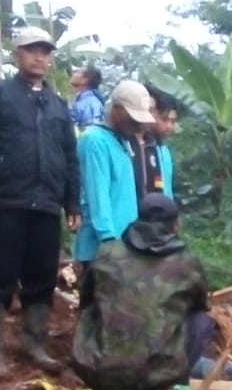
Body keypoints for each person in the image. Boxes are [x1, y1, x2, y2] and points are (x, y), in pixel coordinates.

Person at [0, 26, 80, 379]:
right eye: (31, 50)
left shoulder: (58, 105)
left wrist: (73, 202)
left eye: (44, 51)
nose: (39, 57)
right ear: (17, 54)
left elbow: (69, 156)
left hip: (46, 204)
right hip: (6, 200)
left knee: (42, 274)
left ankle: (34, 344)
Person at [72, 193, 211, 390]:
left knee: (92, 309)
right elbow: (201, 304)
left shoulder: (107, 252)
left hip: (98, 371)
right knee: (201, 320)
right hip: (156, 377)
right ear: (175, 225)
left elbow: (85, 299)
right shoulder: (187, 261)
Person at [73, 80, 158, 268]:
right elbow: (97, 195)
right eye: (133, 118)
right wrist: (109, 240)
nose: (138, 125)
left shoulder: (123, 141)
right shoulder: (95, 139)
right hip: (104, 250)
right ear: (117, 110)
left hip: (125, 246)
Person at [144, 85, 179, 196]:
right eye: (164, 119)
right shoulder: (140, 149)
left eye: (173, 121)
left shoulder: (164, 151)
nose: (169, 126)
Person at [70, 66, 106, 132]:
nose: (74, 73)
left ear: (85, 80)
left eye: (78, 71)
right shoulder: (82, 101)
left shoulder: (90, 104)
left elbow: (90, 132)